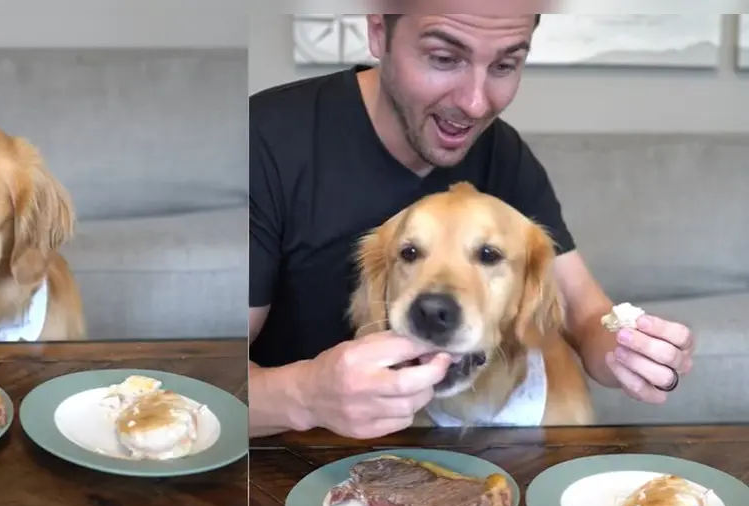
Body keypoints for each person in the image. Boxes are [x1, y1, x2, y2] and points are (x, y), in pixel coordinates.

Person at [248, 12, 697, 439]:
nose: (476, 103)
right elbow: (205, 380)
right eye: (444, 58)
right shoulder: (264, 142)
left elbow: (585, 312)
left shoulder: (503, 155)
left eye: (504, 65)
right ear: (379, 32)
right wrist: (308, 396)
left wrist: (632, 348)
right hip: (285, 461)